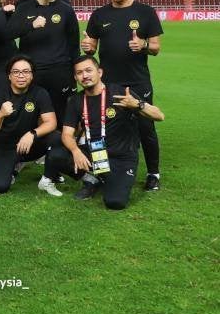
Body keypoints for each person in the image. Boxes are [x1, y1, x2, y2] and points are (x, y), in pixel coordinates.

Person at [41, 55, 165, 208]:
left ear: (99, 72)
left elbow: (159, 116)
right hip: (95, 151)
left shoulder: (120, 94)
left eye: (88, 70)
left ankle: (106, 178)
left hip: (122, 156)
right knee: (56, 155)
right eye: (79, 73)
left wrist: (137, 104)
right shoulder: (76, 101)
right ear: (75, 77)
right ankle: (91, 179)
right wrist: (75, 151)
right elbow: (67, 134)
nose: (85, 76)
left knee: (115, 202)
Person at [81, 0, 164, 191]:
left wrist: (144, 45)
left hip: (138, 81)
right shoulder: (99, 15)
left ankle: (153, 173)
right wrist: (88, 47)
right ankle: (99, 172)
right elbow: (91, 48)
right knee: (101, 127)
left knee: (146, 128)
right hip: (108, 84)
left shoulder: (146, 12)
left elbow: (156, 47)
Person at [7, 0, 79, 123]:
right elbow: (8, 33)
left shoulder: (66, 10)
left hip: (60, 72)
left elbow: (74, 45)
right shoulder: (23, 8)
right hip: (32, 73)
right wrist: (30, 25)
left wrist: (74, 74)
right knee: (31, 116)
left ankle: (61, 146)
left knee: (62, 116)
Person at [0, 55, 59, 194]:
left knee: (57, 138)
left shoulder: (40, 93)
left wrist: (32, 134)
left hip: (28, 144)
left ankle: (49, 177)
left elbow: (51, 122)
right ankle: (12, 165)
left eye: (26, 71)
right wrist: (0, 114)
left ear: (31, 75)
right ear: (9, 76)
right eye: (16, 72)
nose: (21, 76)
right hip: (4, 147)